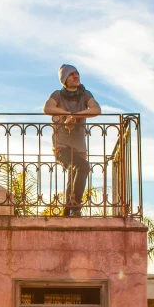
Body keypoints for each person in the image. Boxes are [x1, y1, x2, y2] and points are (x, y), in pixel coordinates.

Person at [43, 65, 101, 216]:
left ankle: (67, 211)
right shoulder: (58, 94)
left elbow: (96, 109)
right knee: (83, 167)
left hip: (79, 146)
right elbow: (47, 108)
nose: (76, 76)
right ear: (64, 79)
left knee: (74, 174)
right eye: (71, 74)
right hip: (61, 145)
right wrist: (66, 114)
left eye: (77, 74)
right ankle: (75, 208)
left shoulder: (85, 94)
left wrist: (75, 116)